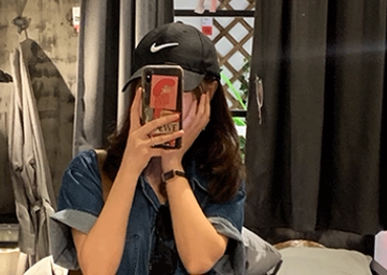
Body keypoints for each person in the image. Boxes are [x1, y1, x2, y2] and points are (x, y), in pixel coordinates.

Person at [50, 22, 246, 275]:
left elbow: (199, 260)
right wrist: (130, 168)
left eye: (176, 89)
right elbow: (97, 269)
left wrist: (172, 165)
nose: (161, 103)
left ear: (208, 92)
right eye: (151, 87)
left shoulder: (221, 175)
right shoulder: (89, 171)